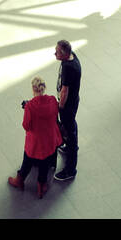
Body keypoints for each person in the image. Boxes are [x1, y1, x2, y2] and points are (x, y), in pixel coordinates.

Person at [7, 76, 62, 199]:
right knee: (45, 163)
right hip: (49, 139)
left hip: (35, 142)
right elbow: (54, 116)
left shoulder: (30, 106)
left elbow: (26, 126)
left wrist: (26, 108)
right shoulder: (53, 100)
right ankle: (41, 187)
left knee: (27, 160)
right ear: (44, 88)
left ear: (33, 89)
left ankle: (19, 180)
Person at [53, 40, 80, 182]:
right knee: (71, 127)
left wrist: (60, 107)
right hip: (73, 103)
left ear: (64, 54)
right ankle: (70, 146)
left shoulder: (69, 68)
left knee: (69, 130)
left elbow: (65, 91)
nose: (54, 53)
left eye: (57, 52)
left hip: (67, 106)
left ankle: (70, 169)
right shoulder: (72, 57)